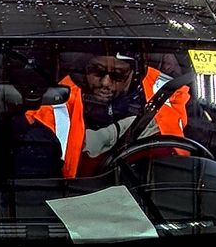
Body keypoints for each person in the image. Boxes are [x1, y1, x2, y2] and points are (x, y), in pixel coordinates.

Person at [23, 48, 191, 178]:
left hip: (153, 196)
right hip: (76, 201)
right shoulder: (55, 104)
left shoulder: (170, 92)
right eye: (97, 72)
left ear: (134, 74)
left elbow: (200, 145)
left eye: (118, 75)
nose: (105, 82)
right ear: (85, 68)